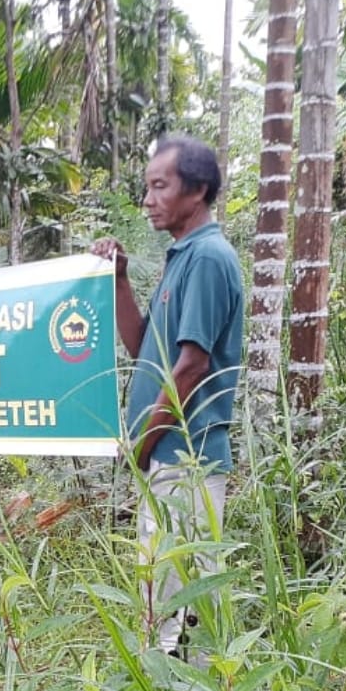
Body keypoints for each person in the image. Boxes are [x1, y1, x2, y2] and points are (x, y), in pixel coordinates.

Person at [92, 136, 244, 654]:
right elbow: (145, 350)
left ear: (197, 190)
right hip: (168, 456)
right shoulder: (182, 259)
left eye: (160, 186)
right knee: (167, 588)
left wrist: (141, 447)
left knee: (172, 599)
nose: (148, 199)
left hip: (186, 455)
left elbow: (190, 369)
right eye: (147, 187)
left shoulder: (207, 259)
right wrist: (119, 282)